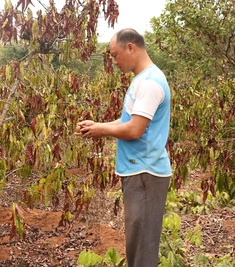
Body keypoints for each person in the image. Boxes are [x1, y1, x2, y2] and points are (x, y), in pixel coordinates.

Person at [75, 28, 171, 267]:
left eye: (115, 55)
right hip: (138, 172)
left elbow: (134, 130)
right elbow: (127, 122)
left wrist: (101, 130)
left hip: (146, 173)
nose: (114, 61)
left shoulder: (150, 83)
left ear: (131, 47)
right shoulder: (141, 80)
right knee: (136, 244)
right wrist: (97, 125)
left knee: (143, 250)